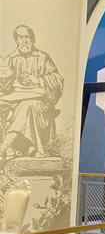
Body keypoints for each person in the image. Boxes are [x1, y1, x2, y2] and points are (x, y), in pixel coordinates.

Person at [0, 25, 64, 160]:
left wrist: (38, 80)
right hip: (15, 102)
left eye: (27, 37)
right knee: (18, 105)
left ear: (33, 39)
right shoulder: (10, 59)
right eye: (20, 37)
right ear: (16, 40)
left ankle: (5, 147)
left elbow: (58, 81)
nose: (24, 41)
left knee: (28, 105)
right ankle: (28, 147)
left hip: (41, 105)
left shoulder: (43, 57)